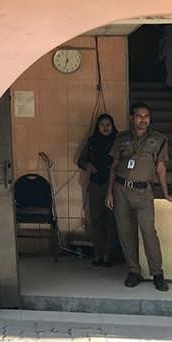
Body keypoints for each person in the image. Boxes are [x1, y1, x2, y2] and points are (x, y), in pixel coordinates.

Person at [105, 101, 172, 292]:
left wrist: (165, 193)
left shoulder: (159, 140)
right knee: (125, 232)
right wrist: (109, 193)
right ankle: (133, 271)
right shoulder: (121, 139)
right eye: (139, 116)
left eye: (146, 116)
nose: (143, 119)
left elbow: (161, 168)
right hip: (121, 190)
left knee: (148, 232)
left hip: (143, 192)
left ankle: (157, 273)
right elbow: (113, 167)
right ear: (132, 118)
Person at [76, 113, 119, 267]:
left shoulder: (118, 141)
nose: (106, 128)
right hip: (95, 184)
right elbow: (80, 160)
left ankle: (108, 254)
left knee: (111, 221)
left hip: (113, 185)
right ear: (97, 127)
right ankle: (98, 253)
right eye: (102, 125)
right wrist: (87, 165)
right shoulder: (92, 142)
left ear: (113, 126)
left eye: (108, 125)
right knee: (96, 220)